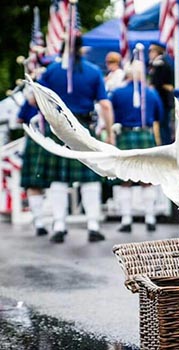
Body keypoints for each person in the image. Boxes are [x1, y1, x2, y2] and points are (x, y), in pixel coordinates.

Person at [39, 35, 114, 243]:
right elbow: (105, 105)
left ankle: (59, 225)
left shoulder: (50, 72)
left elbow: (35, 99)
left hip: (57, 129)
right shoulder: (93, 71)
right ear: (81, 49)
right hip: (84, 128)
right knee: (90, 178)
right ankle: (93, 225)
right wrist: (109, 132)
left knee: (58, 179)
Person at [110, 59, 163, 232]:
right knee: (147, 179)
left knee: (125, 180)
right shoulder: (151, 93)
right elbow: (159, 116)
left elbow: (112, 115)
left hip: (125, 135)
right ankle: (150, 218)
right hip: (145, 135)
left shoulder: (117, 93)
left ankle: (126, 220)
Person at [18, 88, 50, 236]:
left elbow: (19, 119)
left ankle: (41, 221)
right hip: (46, 139)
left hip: (44, 139)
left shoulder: (40, 84)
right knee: (42, 183)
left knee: (44, 183)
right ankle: (47, 222)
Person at [147, 42, 174, 145]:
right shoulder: (156, 64)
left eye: (151, 51)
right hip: (160, 100)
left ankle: (165, 145)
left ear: (157, 51)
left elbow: (157, 83)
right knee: (161, 125)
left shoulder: (161, 65)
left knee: (164, 125)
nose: (149, 53)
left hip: (163, 100)